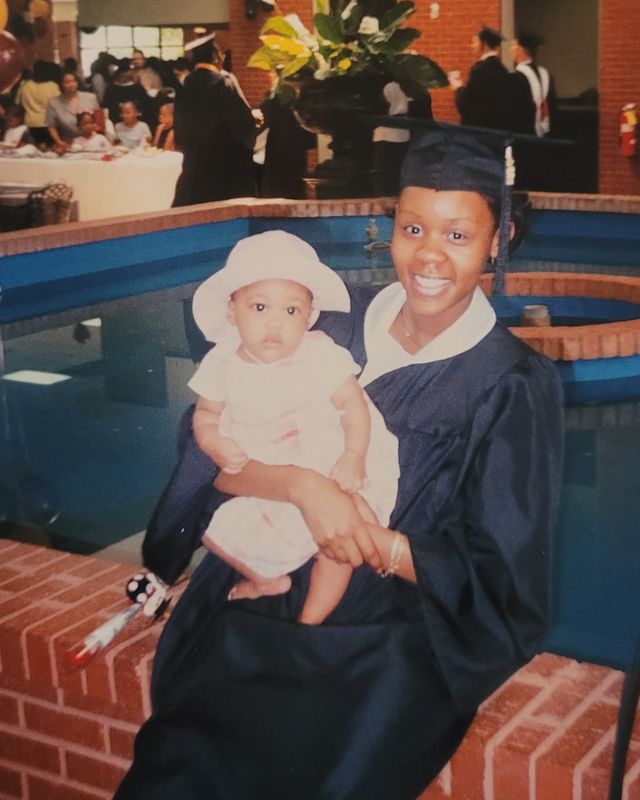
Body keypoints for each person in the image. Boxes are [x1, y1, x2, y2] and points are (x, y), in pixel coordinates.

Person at [114, 127, 563, 800]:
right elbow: (212, 453)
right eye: (413, 229)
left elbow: (503, 579)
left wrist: (369, 540)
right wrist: (302, 487)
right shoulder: (321, 326)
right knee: (182, 766)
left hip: (389, 624)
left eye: (459, 235)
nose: (430, 256)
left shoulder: (510, 383)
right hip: (258, 575)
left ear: (497, 240)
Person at [188, 230, 399, 624]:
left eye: (291, 311)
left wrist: (354, 456)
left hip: (326, 455)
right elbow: (206, 413)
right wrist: (214, 441)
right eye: (260, 307)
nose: (275, 324)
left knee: (348, 531)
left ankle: (312, 619)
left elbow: (354, 406)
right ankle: (266, 579)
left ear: (309, 316)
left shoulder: (319, 353)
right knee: (218, 531)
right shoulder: (221, 362)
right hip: (266, 468)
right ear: (232, 311)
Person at [172, 32, 257, 205]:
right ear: (216, 57)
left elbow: (179, 132)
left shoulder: (184, 85)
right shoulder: (223, 83)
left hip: (194, 167)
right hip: (223, 166)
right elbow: (242, 124)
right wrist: (254, 119)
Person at [509, 31, 557, 191]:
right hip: (544, 137)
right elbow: (553, 108)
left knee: (524, 181)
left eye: (514, 46)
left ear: (522, 49)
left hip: (523, 139)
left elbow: (515, 110)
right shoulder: (546, 74)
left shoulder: (517, 77)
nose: (512, 50)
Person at [372, 81, 433, 196]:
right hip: (403, 131)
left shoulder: (390, 87)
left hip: (387, 132)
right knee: (398, 169)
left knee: (385, 170)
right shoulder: (415, 89)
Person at [451, 26, 512, 130]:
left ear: (484, 44)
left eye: (475, 42)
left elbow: (468, 104)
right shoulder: (503, 69)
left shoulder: (480, 70)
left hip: (481, 129)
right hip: (498, 127)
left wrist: (458, 88)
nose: (472, 46)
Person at [45, 70, 99, 153]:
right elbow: (51, 127)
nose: (71, 84)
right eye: (67, 82)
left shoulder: (90, 98)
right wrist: (60, 143)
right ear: (61, 84)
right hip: (69, 144)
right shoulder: (53, 103)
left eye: (73, 81)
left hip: (92, 142)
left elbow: (99, 121)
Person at [15, 60, 60, 146]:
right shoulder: (53, 86)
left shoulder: (25, 84)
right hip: (48, 124)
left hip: (30, 123)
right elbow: (58, 106)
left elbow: (18, 104)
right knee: (49, 152)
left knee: (31, 151)